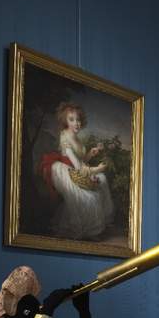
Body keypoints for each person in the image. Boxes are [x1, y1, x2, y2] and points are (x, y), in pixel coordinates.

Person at [41, 102, 115, 240]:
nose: (76, 123)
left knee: (102, 179)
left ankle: (95, 227)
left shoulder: (77, 139)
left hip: (77, 170)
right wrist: (97, 169)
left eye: (78, 120)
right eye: (72, 119)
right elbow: (78, 166)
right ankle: (87, 230)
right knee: (89, 197)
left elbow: (82, 161)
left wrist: (91, 154)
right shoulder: (64, 137)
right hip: (66, 171)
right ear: (65, 121)